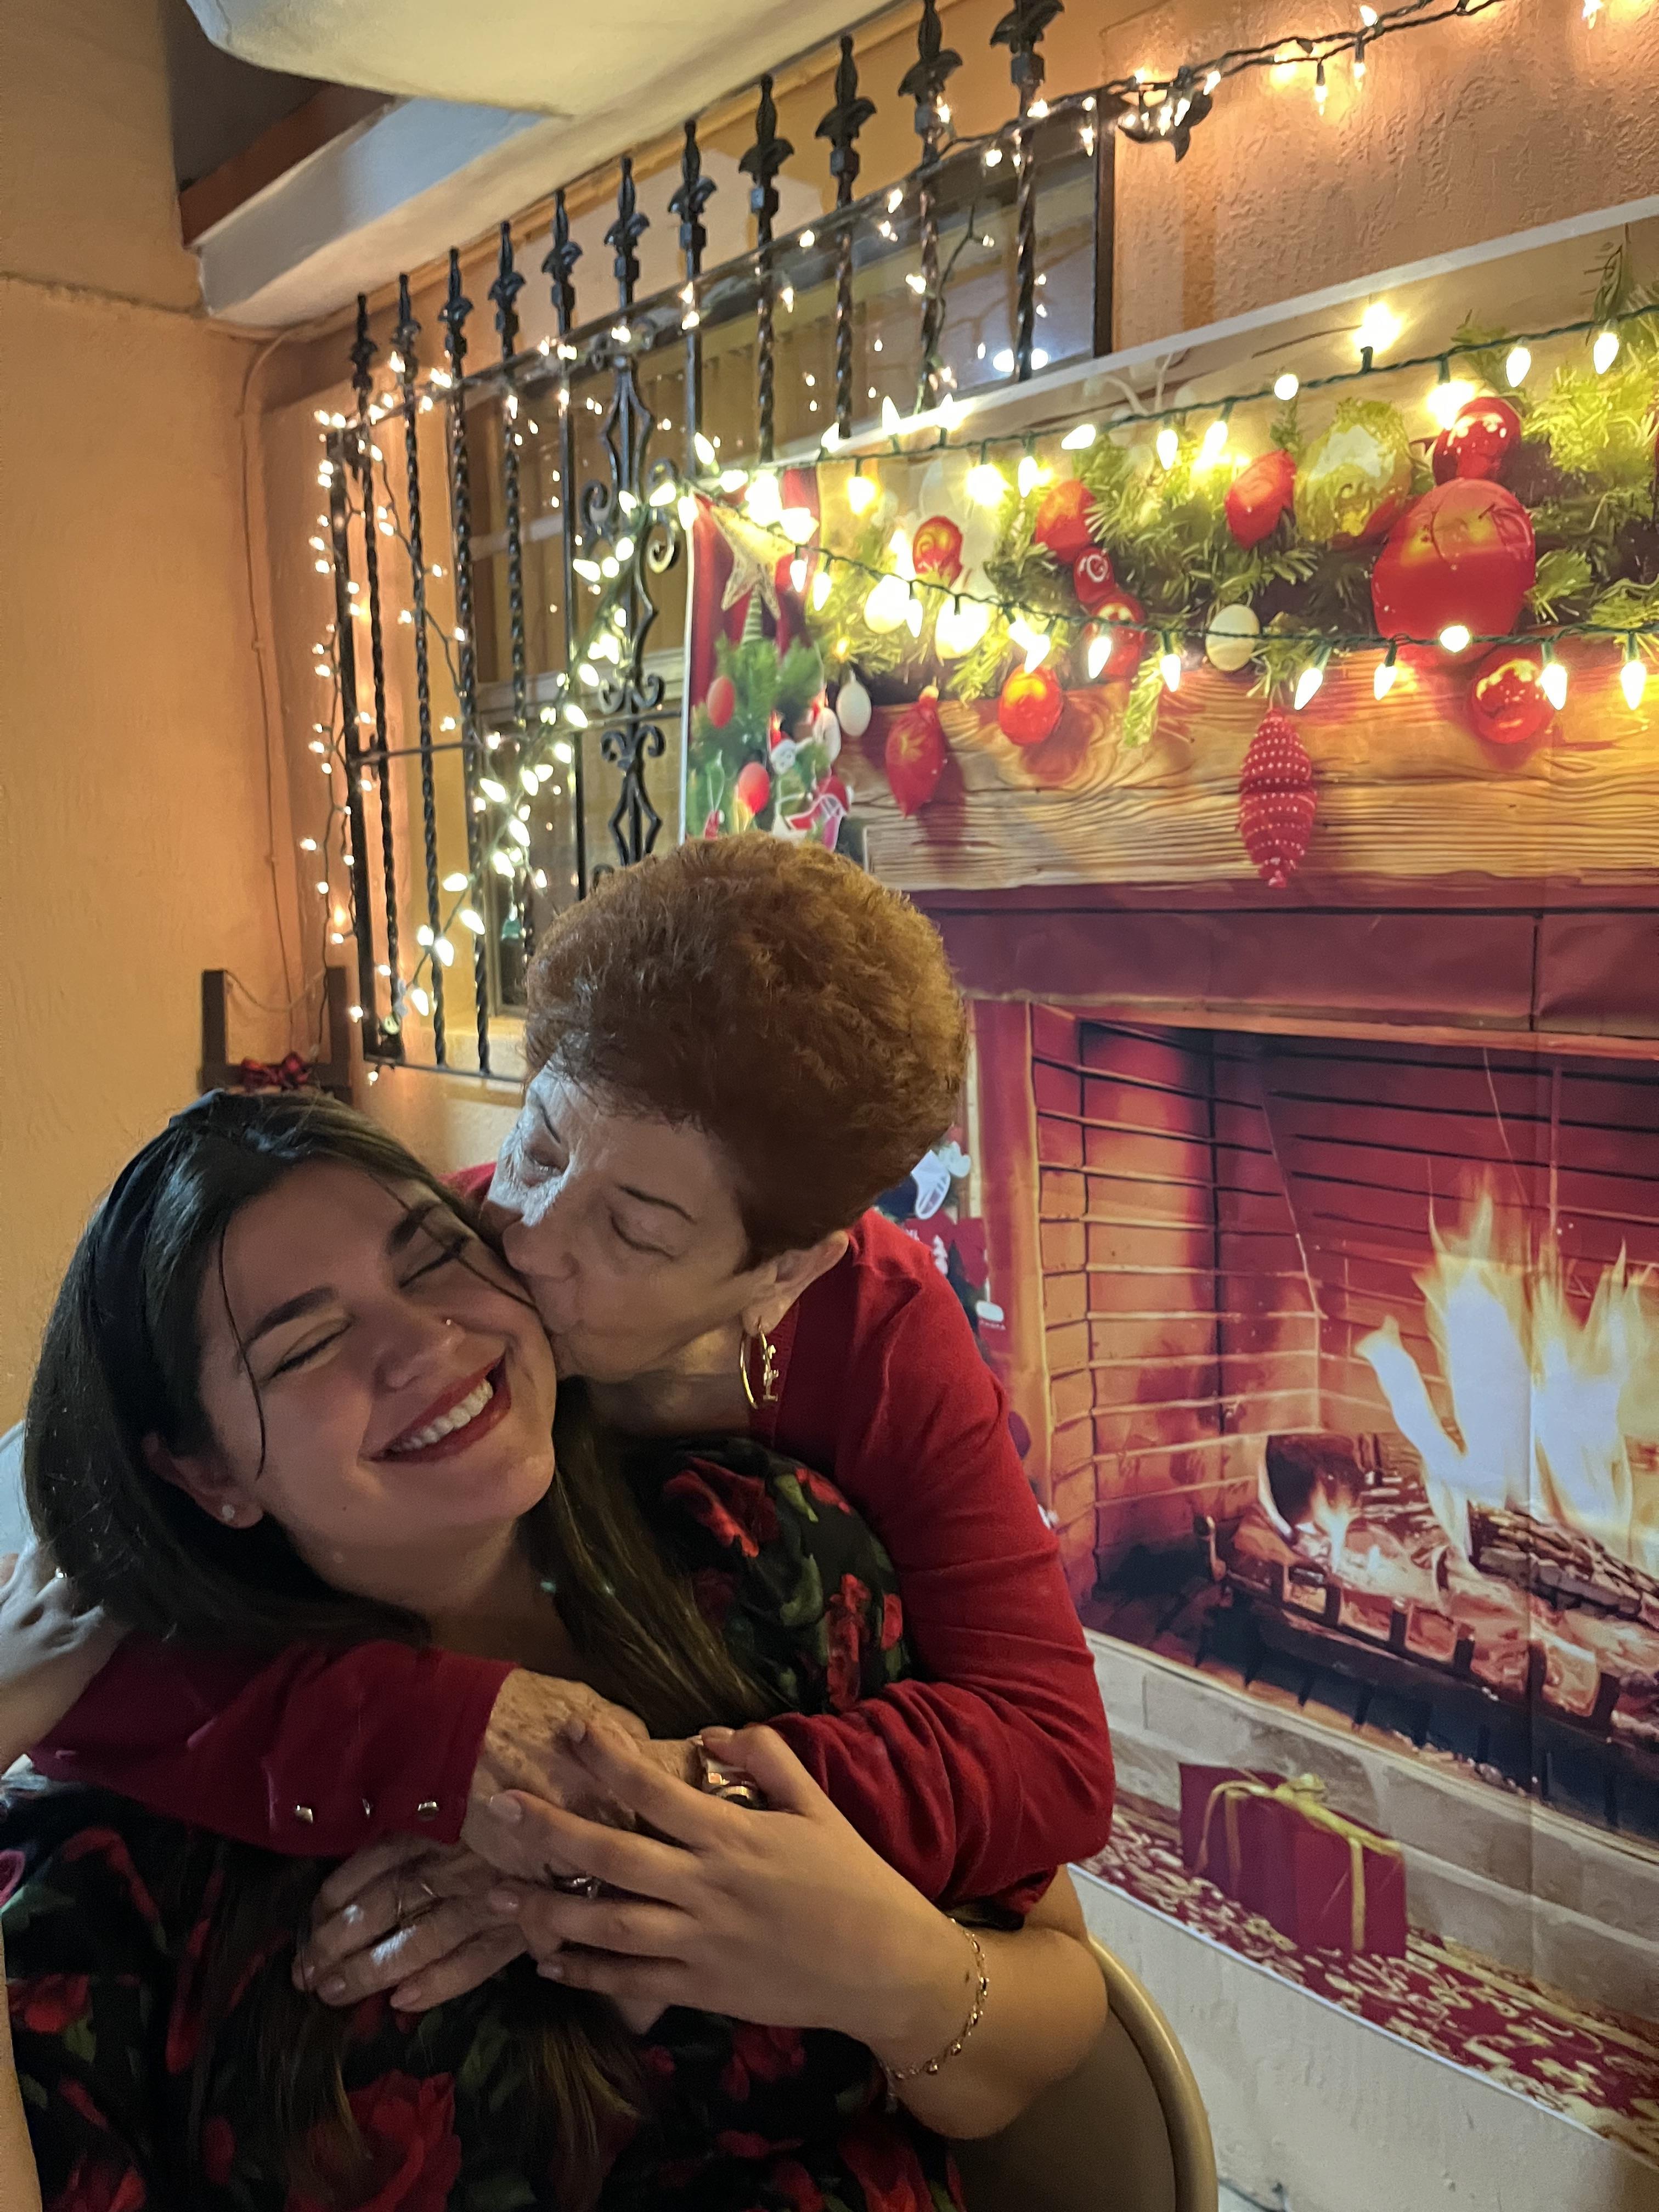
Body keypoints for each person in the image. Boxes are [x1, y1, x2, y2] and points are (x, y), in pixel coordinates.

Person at [2, 1093, 1107, 2209]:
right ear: (207, 1475)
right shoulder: (134, 1841)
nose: (426, 1343)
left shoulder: (769, 1553)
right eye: (312, 1343)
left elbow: (1054, 2007)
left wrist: (889, 1974)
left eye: (433, 1258)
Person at [30, 838, 1115, 1917]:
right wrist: (443, 1739)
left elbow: (1051, 1759)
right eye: (539, 1149)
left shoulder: (878, 1340)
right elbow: (92, 1602)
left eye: (636, 1231)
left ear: (785, 1268)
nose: (529, 1241)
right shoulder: (436, 1270)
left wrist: (639, 1805)